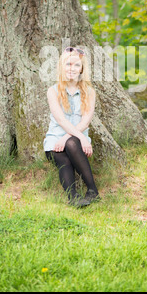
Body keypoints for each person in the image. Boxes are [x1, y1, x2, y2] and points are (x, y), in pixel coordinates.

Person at [43, 46, 100, 208]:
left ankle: (92, 191)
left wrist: (74, 137)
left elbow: (86, 121)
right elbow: (61, 120)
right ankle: (73, 196)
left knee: (71, 143)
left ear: (82, 69)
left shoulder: (89, 92)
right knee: (63, 159)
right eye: (68, 64)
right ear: (62, 67)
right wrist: (68, 138)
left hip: (76, 142)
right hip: (54, 141)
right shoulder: (52, 91)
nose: (72, 69)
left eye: (76, 65)